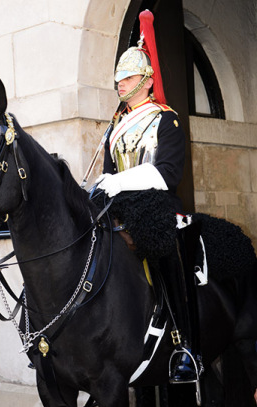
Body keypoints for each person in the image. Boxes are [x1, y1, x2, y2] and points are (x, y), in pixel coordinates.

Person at [96, 9, 201, 384]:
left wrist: (118, 184)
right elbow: (110, 172)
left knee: (164, 249)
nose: (119, 84)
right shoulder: (116, 126)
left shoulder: (165, 119)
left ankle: (187, 345)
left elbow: (168, 174)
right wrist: (100, 186)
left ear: (145, 80)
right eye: (118, 78)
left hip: (157, 203)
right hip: (122, 204)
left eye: (126, 78)